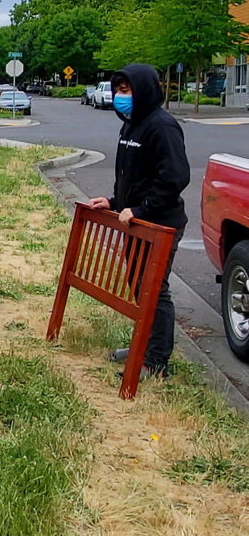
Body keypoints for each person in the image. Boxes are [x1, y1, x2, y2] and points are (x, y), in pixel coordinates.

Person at [89, 64, 189, 379]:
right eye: (118, 90)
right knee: (139, 288)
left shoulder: (162, 127)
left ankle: (157, 362)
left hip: (160, 223)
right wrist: (116, 202)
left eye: (127, 90)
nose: (121, 97)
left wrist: (142, 209)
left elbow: (174, 178)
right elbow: (133, 177)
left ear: (144, 90)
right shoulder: (131, 125)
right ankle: (142, 347)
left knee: (154, 290)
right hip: (137, 222)